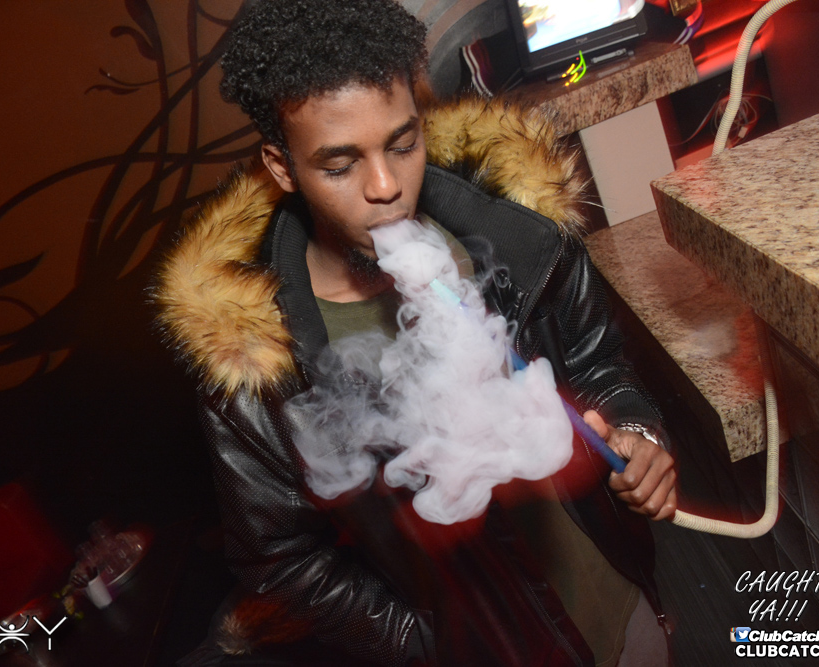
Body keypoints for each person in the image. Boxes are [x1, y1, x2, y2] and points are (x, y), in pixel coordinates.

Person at [156, 1, 677, 665]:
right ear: (283, 168)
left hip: (622, 607)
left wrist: (639, 431)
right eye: (340, 165)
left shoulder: (519, 239)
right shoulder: (258, 363)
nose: (386, 187)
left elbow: (601, 365)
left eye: (403, 145)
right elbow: (281, 560)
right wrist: (427, 640)